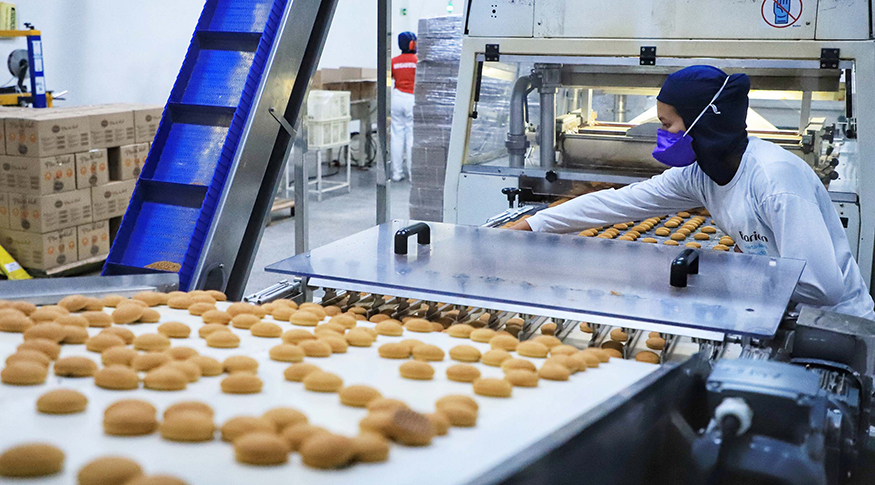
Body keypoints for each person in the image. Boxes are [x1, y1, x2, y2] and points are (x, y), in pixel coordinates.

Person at [510, 65, 875, 320]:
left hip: (836, 327)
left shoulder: (774, 182)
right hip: (781, 313)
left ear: (705, 122)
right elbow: (622, 201)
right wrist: (533, 224)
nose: (662, 133)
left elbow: (822, 287)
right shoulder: (703, 174)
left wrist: (727, 278)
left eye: (667, 124)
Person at [390, 31, 417, 182]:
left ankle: (396, 173)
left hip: (397, 98)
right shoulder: (418, 60)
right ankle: (413, 175)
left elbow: (389, 80)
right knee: (411, 137)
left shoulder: (394, 61)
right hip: (412, 98)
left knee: (397, 137)